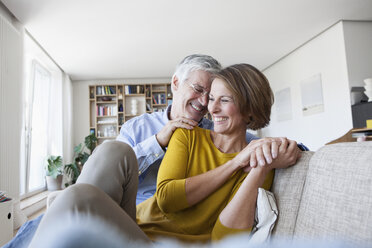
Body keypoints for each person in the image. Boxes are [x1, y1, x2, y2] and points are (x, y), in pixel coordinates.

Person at [29, 63, 300, 247]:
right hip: (134, 227)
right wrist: (235, 164)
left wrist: (260, 166)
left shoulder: (259, 158)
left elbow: (224, 239)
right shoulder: (186, 134)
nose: (210, 107)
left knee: (76, 197)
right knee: (112, 152)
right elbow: (168, 199)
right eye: (208, 96)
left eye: (223, 100)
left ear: (250, 111)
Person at [116, 54, 301, 205]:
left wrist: (289, 148)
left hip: (187, 218)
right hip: (134, 215)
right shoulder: (136, 128)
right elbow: (115, 178)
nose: (206, 103)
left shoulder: (217, 130)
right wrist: (157, 142)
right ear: (176, 83)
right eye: (198, 89)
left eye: (211, 95)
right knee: (105, 163)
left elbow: (254, 144)